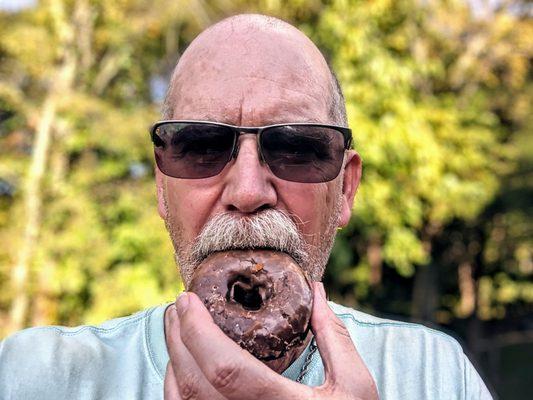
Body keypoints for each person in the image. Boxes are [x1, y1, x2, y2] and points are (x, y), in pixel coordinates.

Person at [0, 14, 493, 400]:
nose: (249, 190)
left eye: (298, 148)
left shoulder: (435, 375)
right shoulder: (36, 376)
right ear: (160, 187)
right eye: (199, 146)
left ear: (345, 189)